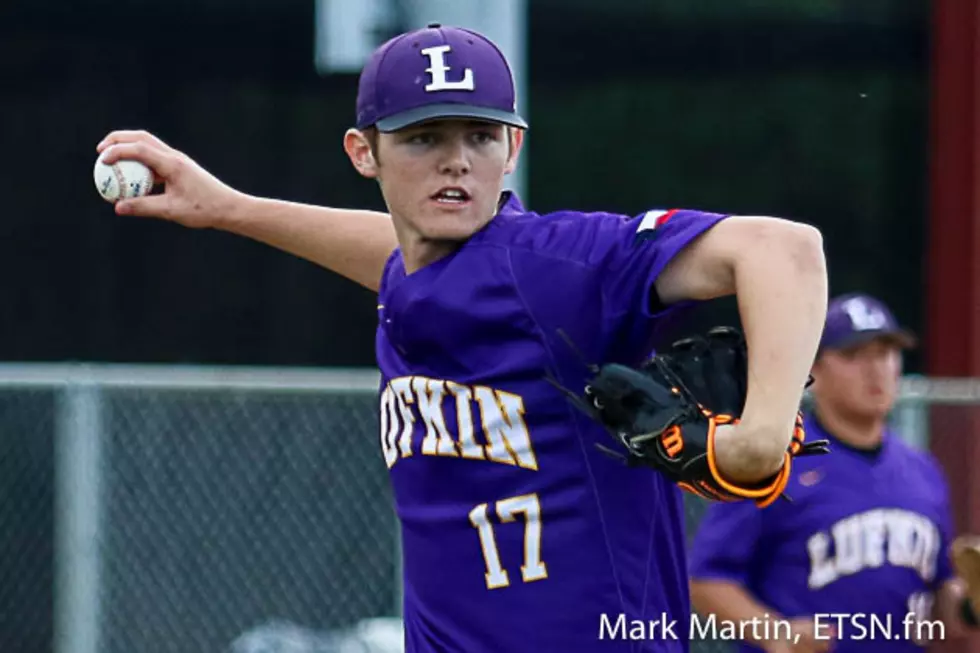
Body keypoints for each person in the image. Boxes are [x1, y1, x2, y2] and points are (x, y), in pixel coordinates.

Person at [96, 23, 828, 653]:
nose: (456, 159)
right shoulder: (420, 276)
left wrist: (759, 434)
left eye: (479, 135)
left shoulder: (560, 265)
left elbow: (784, 250)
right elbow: (399, 255)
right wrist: (230, 209)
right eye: (423, 138)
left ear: (512, 147)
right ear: (363, 152)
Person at [687, 293, 980, 653]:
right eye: (854, 355)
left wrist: (970, 605)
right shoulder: (772, 462)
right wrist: (776, 632)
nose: (877, 369)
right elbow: (706, 580)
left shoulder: (922, 470)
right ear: (813, 372)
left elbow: (935, 598)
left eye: (886, 352)